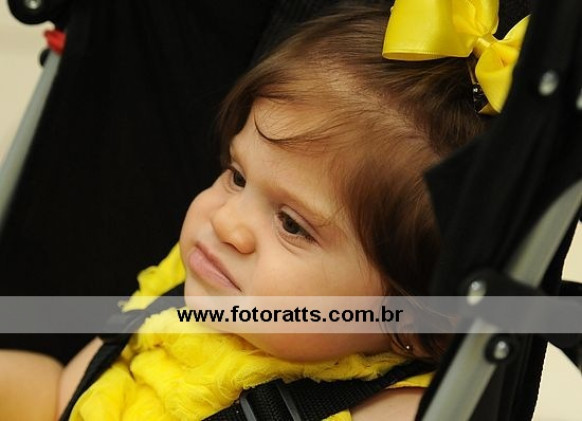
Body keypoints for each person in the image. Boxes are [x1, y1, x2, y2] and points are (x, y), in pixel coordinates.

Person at [0, 1, 526, 420]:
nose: (227, 222)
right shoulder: (188, 286)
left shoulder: (387, 409)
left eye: (292, 225)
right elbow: (61, 395)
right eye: (236, 176)